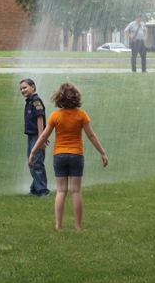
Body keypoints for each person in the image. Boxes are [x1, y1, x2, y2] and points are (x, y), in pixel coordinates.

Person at [29, 83, 108, 230]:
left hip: (59, 155)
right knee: (75, 191)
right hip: (76, 155)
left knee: (61, 191)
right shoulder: (81, 115)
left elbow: (44, 136)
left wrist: (33, 152)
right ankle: (77, 226)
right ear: (76, 98)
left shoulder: (55, 116)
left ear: (59, 98)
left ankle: (58, 225)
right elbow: (91, 135)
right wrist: (102, 152)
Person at [20, 78, 49, 197]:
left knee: (37, 162)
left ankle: (43, 190)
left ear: (33, 87)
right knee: (32, 162)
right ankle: (35, 188)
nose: (22, 90)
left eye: (25, 87)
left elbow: (40, 119)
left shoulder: (36, 101)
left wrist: (41, 138)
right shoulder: (29, 101)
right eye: (21, 89)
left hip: (37, 136)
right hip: (31, 136)